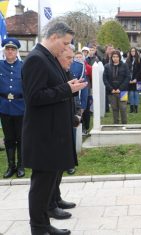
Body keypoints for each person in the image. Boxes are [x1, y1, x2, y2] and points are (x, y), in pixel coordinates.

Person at [21, 22, 87, 235]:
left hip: (52, 133)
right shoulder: (36, 60)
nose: (66, 48)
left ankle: (44, 224)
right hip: (43, 135)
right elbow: (34, 97)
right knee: (40, 187)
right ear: (54, 37)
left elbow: (54, 89)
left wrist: (69, 88)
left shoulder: (48, 58)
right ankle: (38, 228)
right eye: (65, 43)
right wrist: (67, 89)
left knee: (48, 185)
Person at [48, 46, 79, 220]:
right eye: (69, 58)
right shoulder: (54, 72)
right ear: (59, 56)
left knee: (60, 166)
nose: (71, 62)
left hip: (65, 121)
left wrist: (76, 113)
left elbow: (70, 97)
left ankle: (56, 198)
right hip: (54, 126)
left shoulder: (64, 71)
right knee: (54, 167)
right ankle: (50, 204)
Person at [0, 38, 25, 178]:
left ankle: (21, 166)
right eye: (8, 49)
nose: (10, 51)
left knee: (21, 138)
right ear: (4, 51)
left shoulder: (23, 66)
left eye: (13, 49)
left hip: (20, 106)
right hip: (4, 107)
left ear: (16, 52)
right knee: (9, 138)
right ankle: (11, 166)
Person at [103, 50, 130, 124]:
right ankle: (116, 124)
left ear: (119, 57)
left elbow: (127, 77)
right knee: (114, 108)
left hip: (123, 91)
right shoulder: (107, 66)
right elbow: (105, 79)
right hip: (111, 92)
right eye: (113, 57)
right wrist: (111, 89)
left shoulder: (125, 65)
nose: (115, 58)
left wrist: (120, 89)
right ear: (111, 58)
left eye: (117, 57)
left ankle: (124, 124)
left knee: (123, 108)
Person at [126, 47, 141, 113]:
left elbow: (140, 70)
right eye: (131, 51)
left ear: (136, 52)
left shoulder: (139, 59)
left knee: (136, 93)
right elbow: (127, 70)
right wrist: (129, 79)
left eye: (134, 51)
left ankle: (136, 108)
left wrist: (136, 79)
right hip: (130, 79)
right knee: (131, 94)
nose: (132, 52)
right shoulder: (128, 60)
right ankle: (131, 108)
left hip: (138, 80)